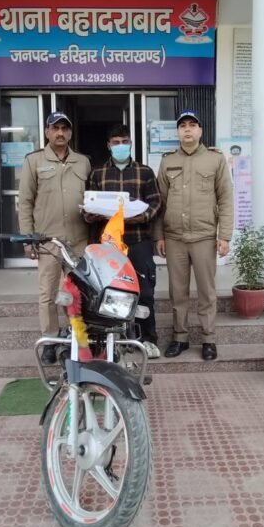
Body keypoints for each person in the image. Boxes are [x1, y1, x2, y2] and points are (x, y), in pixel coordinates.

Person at [154, 111, 234, 361]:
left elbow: (225, 199)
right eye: (182, 126)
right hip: (174, 237)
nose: (187, 130)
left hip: (204, 236)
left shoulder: (215, 160)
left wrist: (224, 236)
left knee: (206, 292)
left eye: (192, 125)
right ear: (178, 132)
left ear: (200, 130)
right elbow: (159, 202)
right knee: (177, 292)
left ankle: (208, 339)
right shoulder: (167, 161)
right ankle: (180, 337)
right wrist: (159, 236)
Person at [18, 111, 91, 364]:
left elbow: (91, 199)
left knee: (78, 293)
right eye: (55, 128)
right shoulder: (34, 161)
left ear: (70, 133)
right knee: (48, 293)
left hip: (78, 241)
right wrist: (28, 239)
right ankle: (50, 339)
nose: (60, 133)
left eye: (64, 128)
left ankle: (76, 336)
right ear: (47, 132)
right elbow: (25, 202)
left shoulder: (83, 162)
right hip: (47, 241)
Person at [84, 124, 163, 358]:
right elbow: (87, 207)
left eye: (124, 142)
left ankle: (148, 338)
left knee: (144, 291)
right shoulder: (97, 174)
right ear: (108, 145)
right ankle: (115, 339)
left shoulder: (144, 172)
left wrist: (140, 216)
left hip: (138, 241)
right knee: (108, 290)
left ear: (130, 144)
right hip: (108, 246)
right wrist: (92, 213)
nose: (120, 146)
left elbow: (156, 202)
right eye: (116, 142)